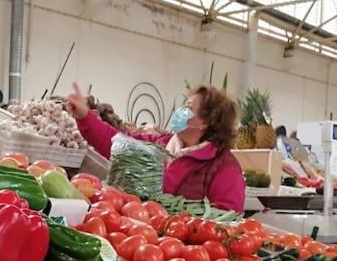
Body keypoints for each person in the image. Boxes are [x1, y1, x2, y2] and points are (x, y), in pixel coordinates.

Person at [65, 83, 245, 212]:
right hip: (139, 235)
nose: (180, 112)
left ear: (207, 121)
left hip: (182, 254)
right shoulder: (159, 144)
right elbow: (116, 144)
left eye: (188, 108)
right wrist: (84, 116)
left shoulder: (224, 168)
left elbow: (227, 220)